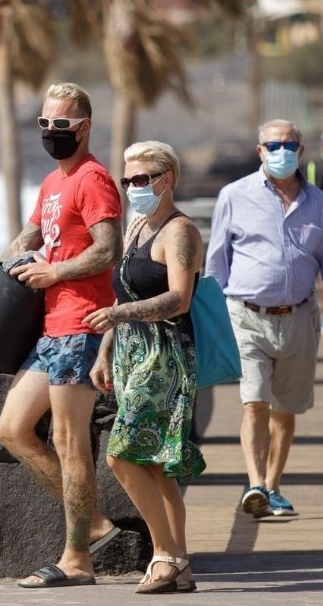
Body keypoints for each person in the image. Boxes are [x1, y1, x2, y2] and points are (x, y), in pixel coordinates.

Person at [0, 82, 124, 588]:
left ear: (84, 127)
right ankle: (94, 525)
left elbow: (108, 250)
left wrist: (57, 273)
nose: (52, 132)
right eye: (45, 124)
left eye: (62, 125)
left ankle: (77, 559)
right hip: (51, 329)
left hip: (80, 323)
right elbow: (26, 241)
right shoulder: (53, 183)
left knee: (71, 441)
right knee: (12, 430)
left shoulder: (94, 180)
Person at [206, 119, 323, 520]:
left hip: (300, 317)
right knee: (254, 402)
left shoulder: (321, 205)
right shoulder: (233, 196)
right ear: (259, 151)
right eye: (273, 145)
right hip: (245, 314)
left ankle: (272, 486)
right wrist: (211, 317)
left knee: (285, 410)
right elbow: (216, 262)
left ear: (302, 151)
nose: (281, 152)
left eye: (289, 145)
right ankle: (254, 483)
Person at [85, 141, 204, 594]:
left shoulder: (180, 232)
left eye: (142, 179)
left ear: (166, 179)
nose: (133, 187)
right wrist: (105, 350)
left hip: (166, 354)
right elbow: (125, 296)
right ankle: (181, 564)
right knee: (155, 466)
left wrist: (117, 318)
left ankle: (164, 554)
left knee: (121, 454)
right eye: (127, 180)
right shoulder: (136, 227)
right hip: (133, 353)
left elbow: (180, 298)